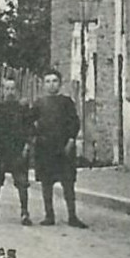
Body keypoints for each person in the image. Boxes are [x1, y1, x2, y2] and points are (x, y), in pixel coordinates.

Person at [34, 69, 87, 228]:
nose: (51, 85)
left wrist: (71, 141)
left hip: (64, 148)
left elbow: (74, 123)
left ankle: (72, 216)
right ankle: (49, 215)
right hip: (45, 148)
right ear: (44, 85)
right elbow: (29, 122)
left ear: (60, 84)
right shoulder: (39, 104)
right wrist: (35, 137)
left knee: (68, 182)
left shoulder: (66, 102)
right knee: (46, 183)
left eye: (54, 81)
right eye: (48, 81)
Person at [0, 74, 35, 224]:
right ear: (2, 91)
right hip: (1, 151)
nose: (10, 91)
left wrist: (26, 147)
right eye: (7, 88)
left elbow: (29, 129)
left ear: (16, 91)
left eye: (12, 88)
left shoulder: (22, 109)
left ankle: (25, 214)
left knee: (22, 182)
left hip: (17, 151)